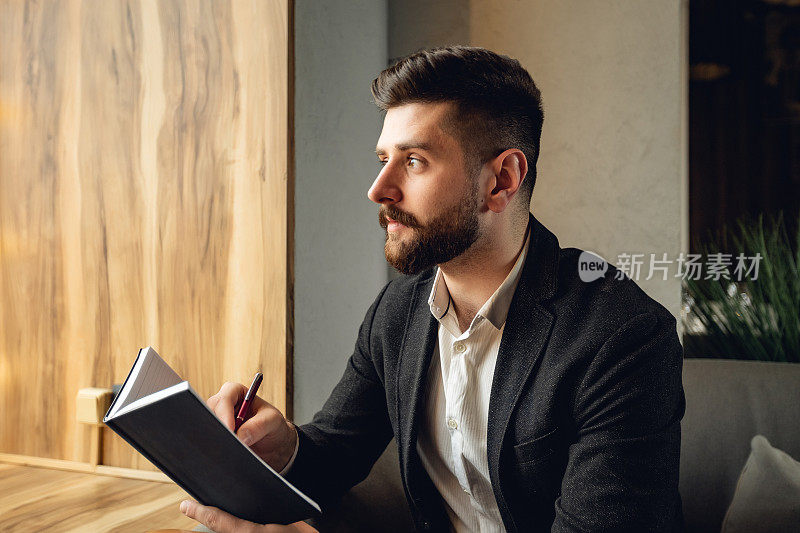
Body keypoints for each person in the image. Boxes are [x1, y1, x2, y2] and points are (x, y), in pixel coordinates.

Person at [180, 46, 685, 532]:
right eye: (383, 158)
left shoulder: (624, 337)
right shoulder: (398, 311)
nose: (378, 189)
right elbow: (336, 453)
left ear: (502, 179)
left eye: (414, 160)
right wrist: (284, 446)